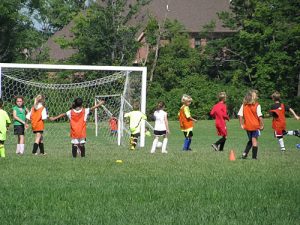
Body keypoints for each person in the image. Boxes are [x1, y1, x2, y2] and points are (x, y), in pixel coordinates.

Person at [238, 90, 264, 159]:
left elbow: (240, 115)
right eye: (256, 95)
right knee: (254, 141)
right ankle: (254, 158)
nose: (257, 96)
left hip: (247, 126)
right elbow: (260, 116)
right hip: (255, 126)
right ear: (253, 97)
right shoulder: (257, 105)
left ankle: (244, 154)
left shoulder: (244, 105)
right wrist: (262, 125)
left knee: (251, 140)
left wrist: (241, 124)